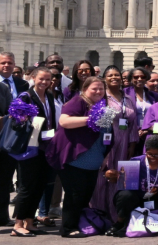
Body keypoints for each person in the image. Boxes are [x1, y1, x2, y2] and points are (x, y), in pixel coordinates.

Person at [48, 76, 108, 238]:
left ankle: (81, 224)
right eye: (94, 88)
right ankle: (68, 228)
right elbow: (64, 121)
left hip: (94, 160)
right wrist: (90, 119)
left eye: (101, 89)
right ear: (85, 89)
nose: (98, 91)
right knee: (74, 195)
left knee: (84, 195)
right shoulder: (78, 102)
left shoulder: (102, 105)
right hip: (75, 159)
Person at [108, 134, 158, 236]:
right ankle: (120, 223)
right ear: (146, 151)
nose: (153, 158)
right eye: (150, 154)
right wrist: (116, 177)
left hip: (155, 198)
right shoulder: (135, 161)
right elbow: (122, 186)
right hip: (137, 198)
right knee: (125, 195)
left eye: (157, 155)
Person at [10, 67, 57, 236]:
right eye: (41, 79)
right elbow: (15, 123)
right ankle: (18, 224)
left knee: (40, 185)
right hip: (29, 147)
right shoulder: (25, 96)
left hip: (45, 146)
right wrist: (24, 119)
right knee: (27, 187)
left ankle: (30, 221)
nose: (44, 82)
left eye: (47, 79)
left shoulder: (50, 96)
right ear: (33, 78)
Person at [90, 66, 139, 220]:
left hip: (124, 143)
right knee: (102, 178)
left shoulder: (128, 99)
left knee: (121, 179)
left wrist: (132, 144)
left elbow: (133, 123)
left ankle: (118, 215)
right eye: (110, 75)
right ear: (104, 78)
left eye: (117, 75)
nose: (114, 77)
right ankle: (98, 214)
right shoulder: (101, 98)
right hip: (105, 143)